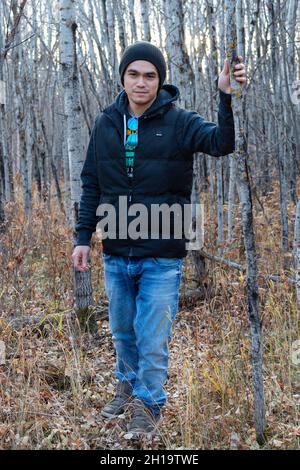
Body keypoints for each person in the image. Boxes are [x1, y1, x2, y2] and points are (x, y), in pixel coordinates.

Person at [72, 41, 246, 436]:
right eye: (133, 73)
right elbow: (91, 183)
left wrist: (225, 95)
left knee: (152, 336)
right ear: (122, 77)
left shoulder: (180, 122)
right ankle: (128, 387)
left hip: (162, 255)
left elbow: (222, 143)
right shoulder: (106, 123)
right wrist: (83, 236)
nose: (141, 82)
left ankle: (148, 404)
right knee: (122, 331)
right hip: (116, 250)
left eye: (150, 75)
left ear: (160, 81)